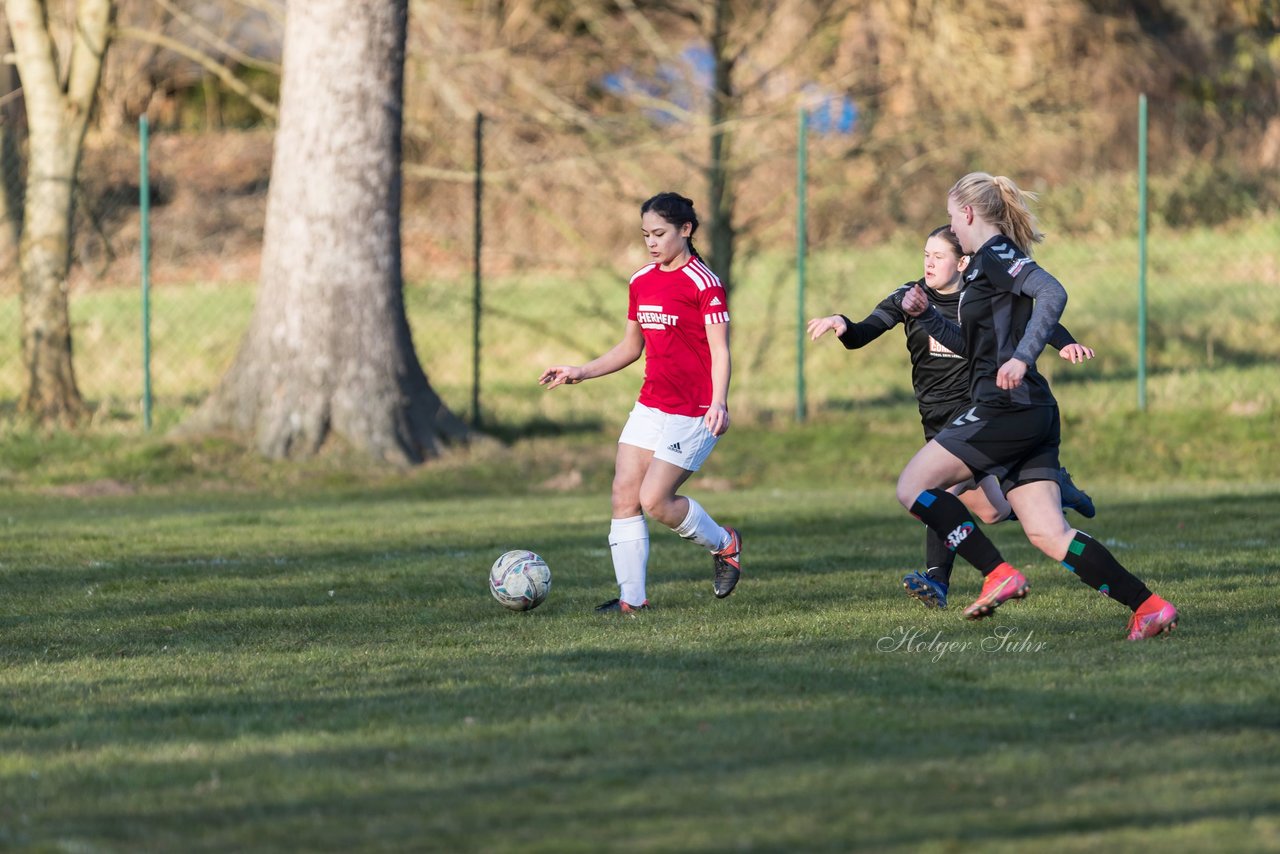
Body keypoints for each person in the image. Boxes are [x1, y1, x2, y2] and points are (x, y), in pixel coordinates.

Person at [895, 172, 1177, 640]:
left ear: (967, 214)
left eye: (951, 219)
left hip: (1006, 406)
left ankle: (996, 573)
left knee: (913, 487)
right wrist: (926, 316)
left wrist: (1023, 357)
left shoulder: (998, 253)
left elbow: (1053, 292)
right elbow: (973, 345)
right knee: (1049, 534)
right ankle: (1148, 607)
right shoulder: (983, 266)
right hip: (1030, 411)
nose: (952, 229)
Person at [807, 225, 1096, 610]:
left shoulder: (980, 296)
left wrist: (1066, 342)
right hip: (934, 417)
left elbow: (1031, 315)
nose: (928, 263)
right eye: (925, 254)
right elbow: (863, 333)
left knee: (933, 492)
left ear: (962, 262)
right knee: (993, 511)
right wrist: (843, 325)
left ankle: (937, 580)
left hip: (977, 411)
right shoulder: (909, 297)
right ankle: (1055, 484)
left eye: (938, 256)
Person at [539, 192, 741, 614]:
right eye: (645, 234)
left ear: (685, 230)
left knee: (656, 501)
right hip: (651, 405)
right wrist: (580, 370)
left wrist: (718, 402)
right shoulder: (641, 281)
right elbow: (631, 347)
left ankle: (724, 544)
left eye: (660, 233)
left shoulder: (705, 284)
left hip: (693, 411)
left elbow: (720, 351)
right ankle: (632, 601)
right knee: (624, 495)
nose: (652, 242)